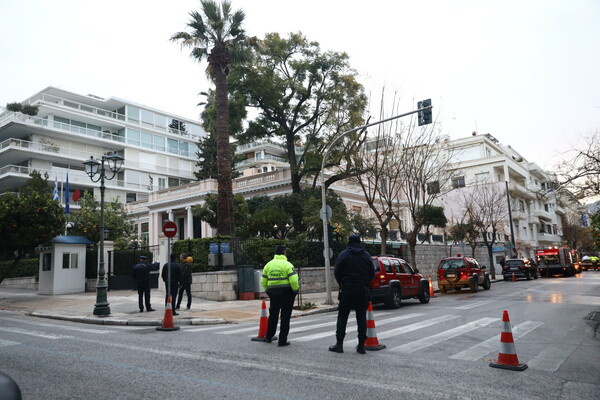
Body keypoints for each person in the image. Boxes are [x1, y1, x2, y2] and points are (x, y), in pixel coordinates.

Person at [329, 234, 374, 354]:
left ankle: (339, 345)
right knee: (361, 317)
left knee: (343, 316)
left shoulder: (344, 255)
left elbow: (337, 272)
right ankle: (361, 346)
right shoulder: (366, 255)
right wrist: (365, 282)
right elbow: (372, 274)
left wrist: (342, 283)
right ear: (360, 243)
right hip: (362, 290)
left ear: (349, 242)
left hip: (347, 289)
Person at [261, 245, 299, 347]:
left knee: (273, 315)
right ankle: (282, 340)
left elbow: (263, 280)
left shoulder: (268, 265)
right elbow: (294, 280)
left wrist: (267, 290)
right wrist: (295, 290)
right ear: (284, 253)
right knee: (285, 316)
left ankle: (269, 336)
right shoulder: (288, 265)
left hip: (273, 293)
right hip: (287, 293)